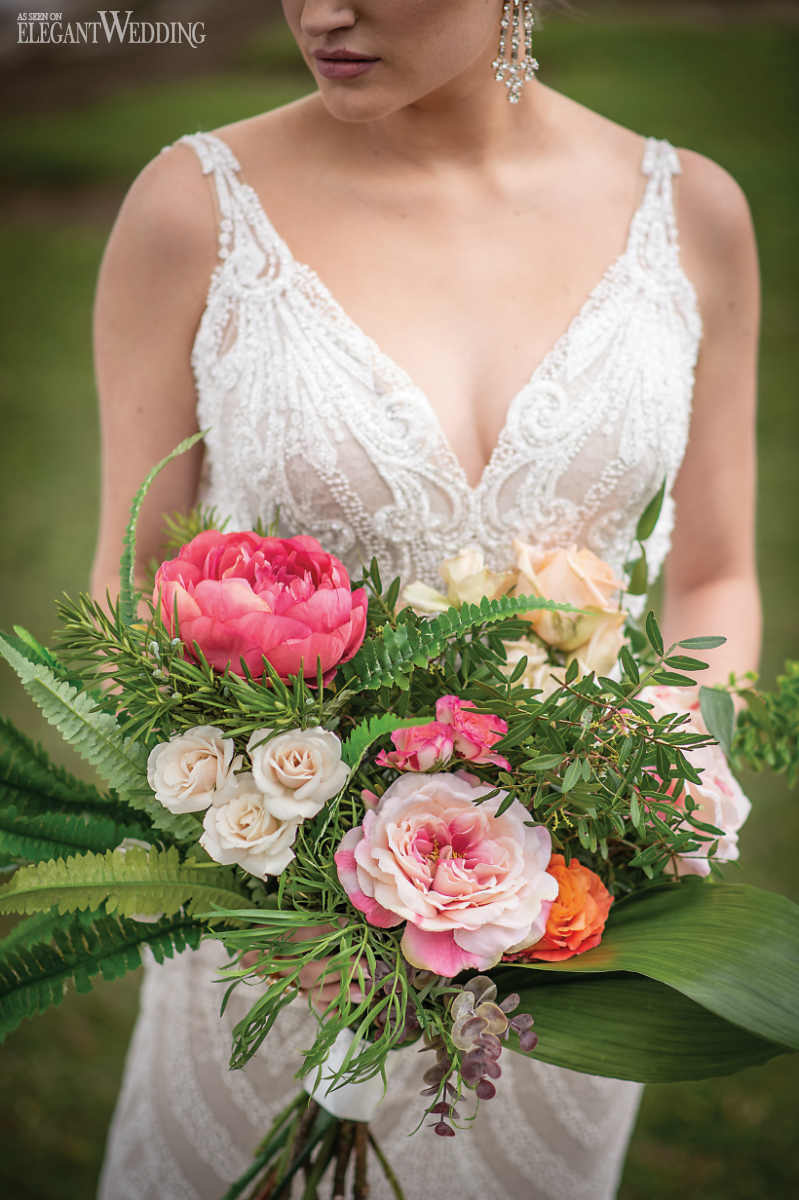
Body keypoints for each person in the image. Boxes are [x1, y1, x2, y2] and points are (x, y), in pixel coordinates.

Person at [91, 3, 761, 1197]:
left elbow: (715, 568)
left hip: (563, 928)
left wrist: (657, 792)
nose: (320, 10)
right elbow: (138, 574)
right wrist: (272, 875)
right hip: (276, 930)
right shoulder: (193, 206)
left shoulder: (692, 214)